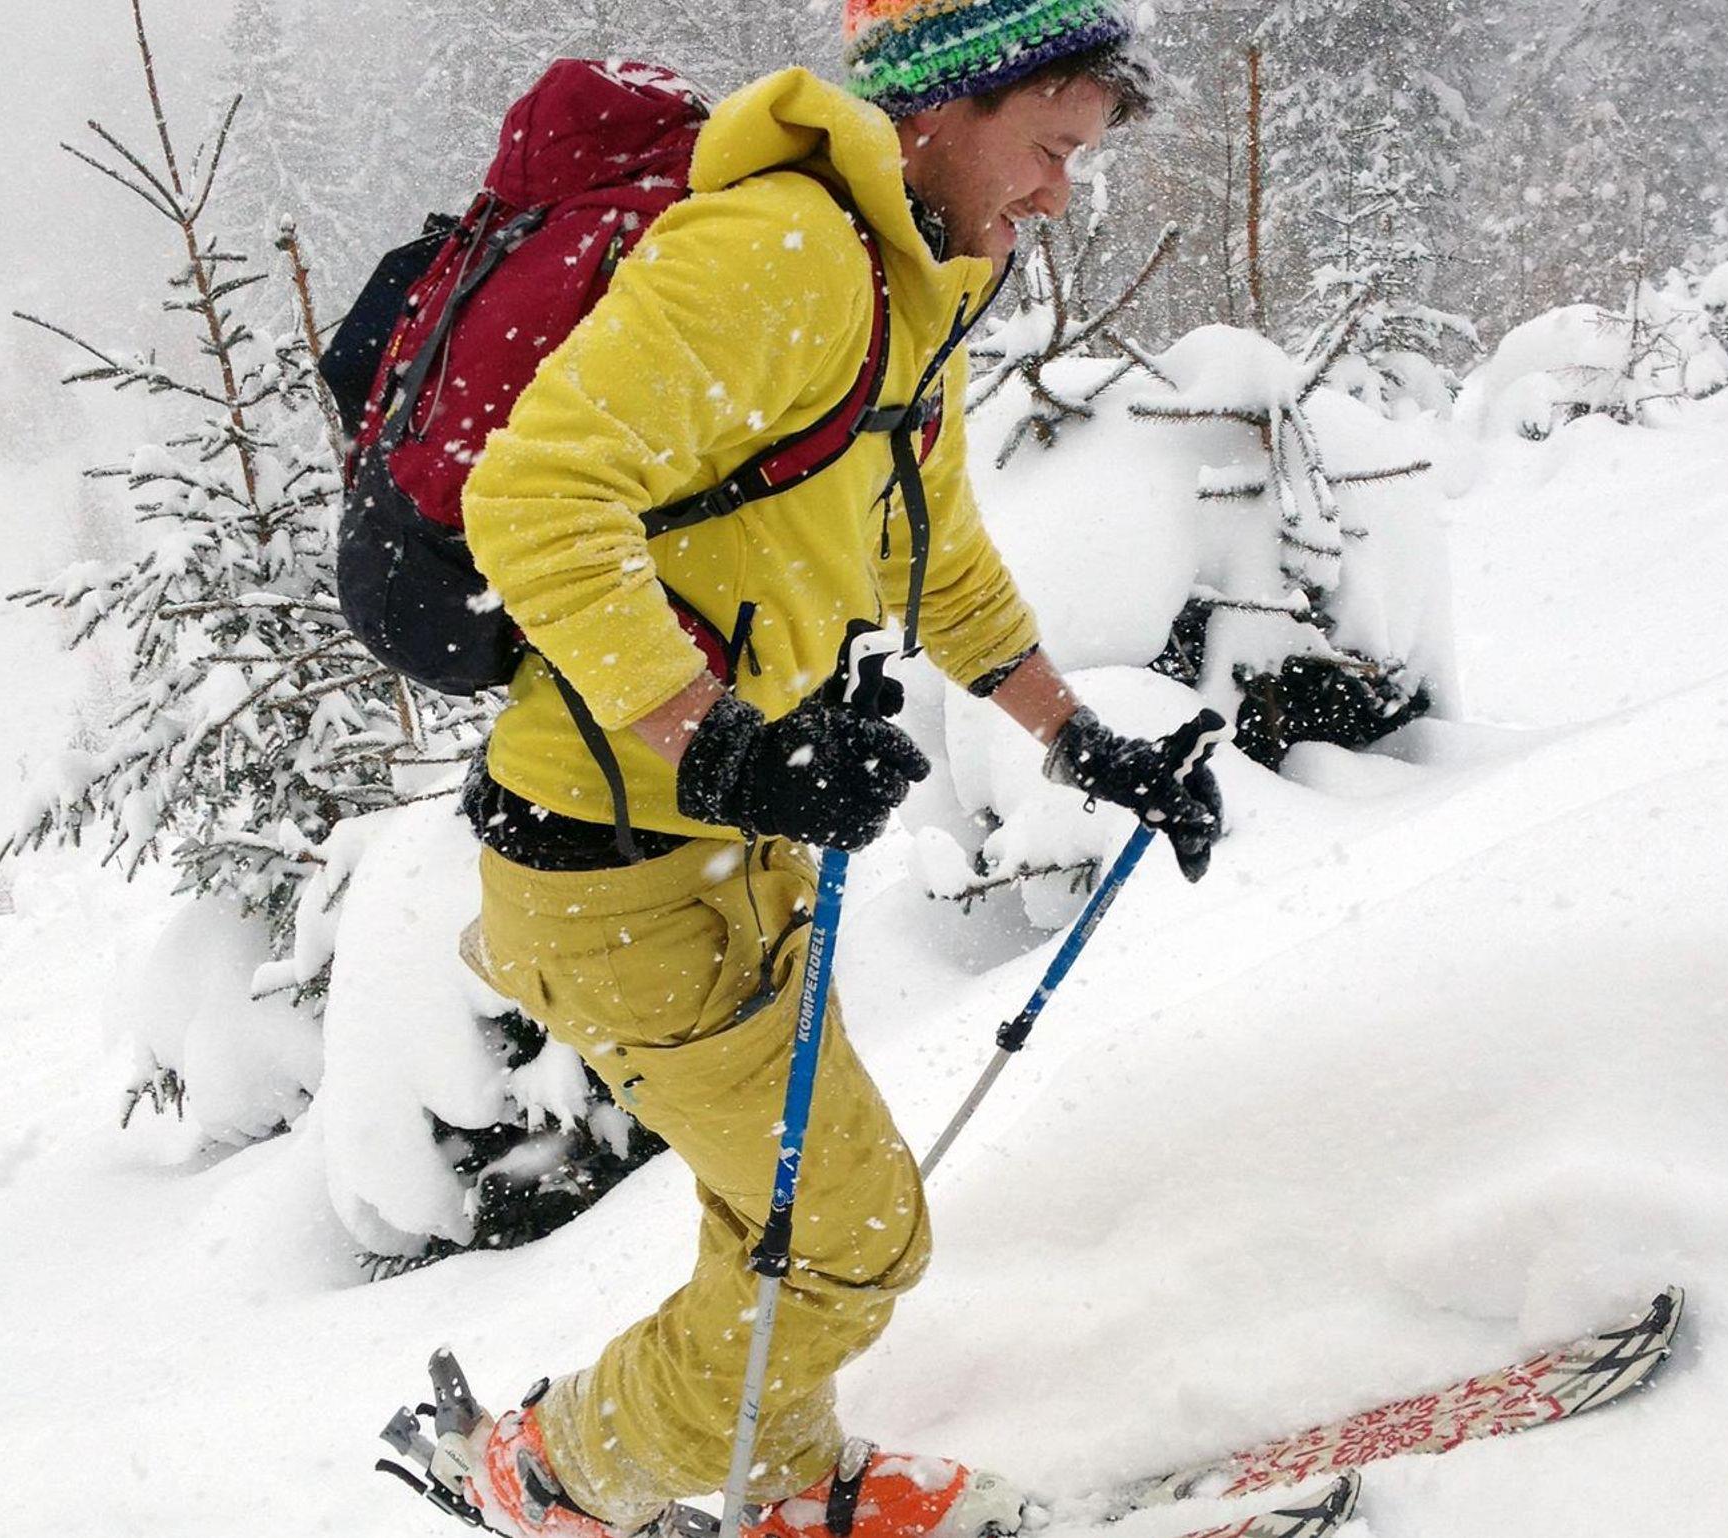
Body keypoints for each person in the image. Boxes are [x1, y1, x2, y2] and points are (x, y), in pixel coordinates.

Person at [448, 4, 1221, 1536]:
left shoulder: (899, 289)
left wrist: (1087, 742)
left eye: (1078, 159)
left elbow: (940, 565)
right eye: (1047, 147)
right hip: (607, 866)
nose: (1059, 193)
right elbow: (531, 495)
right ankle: (551, 1469)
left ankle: (790, 1484)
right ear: (938, 106)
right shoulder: (782, 255)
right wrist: (722, 740)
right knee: (854, 1234)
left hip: (724, 846)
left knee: (783, 1213)